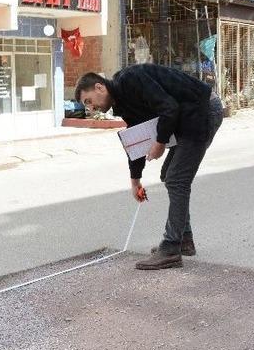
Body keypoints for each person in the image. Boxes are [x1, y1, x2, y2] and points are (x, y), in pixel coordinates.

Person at [74, 64, 224, 270]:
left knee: (176, 178)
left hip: (203, 109)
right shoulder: (122, 103)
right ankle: (184, 241)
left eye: (88, 101)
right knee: (168, 175)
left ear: (99, 87)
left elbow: (169, 107)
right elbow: (138, 138)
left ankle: (171, 248)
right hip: (187, 116)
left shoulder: (130, 80)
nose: (90, 108)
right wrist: (135, 181)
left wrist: (160, 142)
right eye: (86, 105)